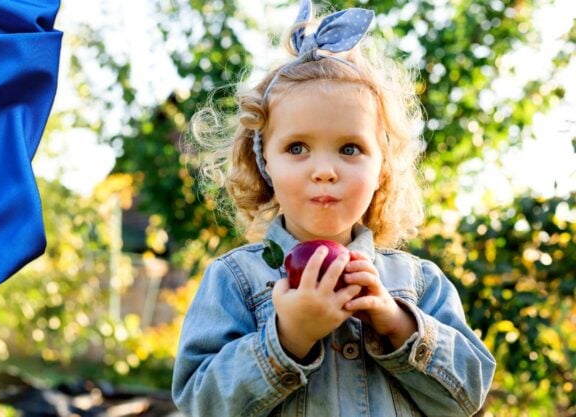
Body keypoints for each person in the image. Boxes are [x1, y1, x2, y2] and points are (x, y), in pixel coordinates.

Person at [171, 1, 496, 416]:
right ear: (265, 161)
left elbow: (468, 394)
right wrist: (287, 339)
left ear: (382, 168)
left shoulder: (419, 284)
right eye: (297, 148)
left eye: (350, 148)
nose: (324, 171)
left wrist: (397, 323)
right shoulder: (235, 280)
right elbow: (200, 402)